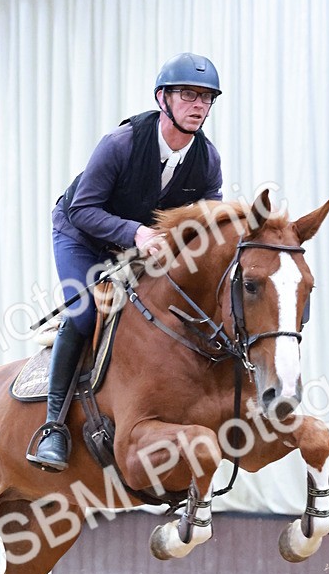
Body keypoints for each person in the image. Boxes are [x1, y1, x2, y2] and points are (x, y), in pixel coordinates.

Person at [27, 52, 224, 472]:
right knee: (84, 315)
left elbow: (208, 227)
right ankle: (53, 428)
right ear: (162, 99)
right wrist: (135, 233)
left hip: (144, 244)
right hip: (80, 231)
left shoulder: (207, 160)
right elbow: (83, 209)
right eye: (188, 95)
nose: (198, 105)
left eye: (206, 98)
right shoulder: (121, 144)